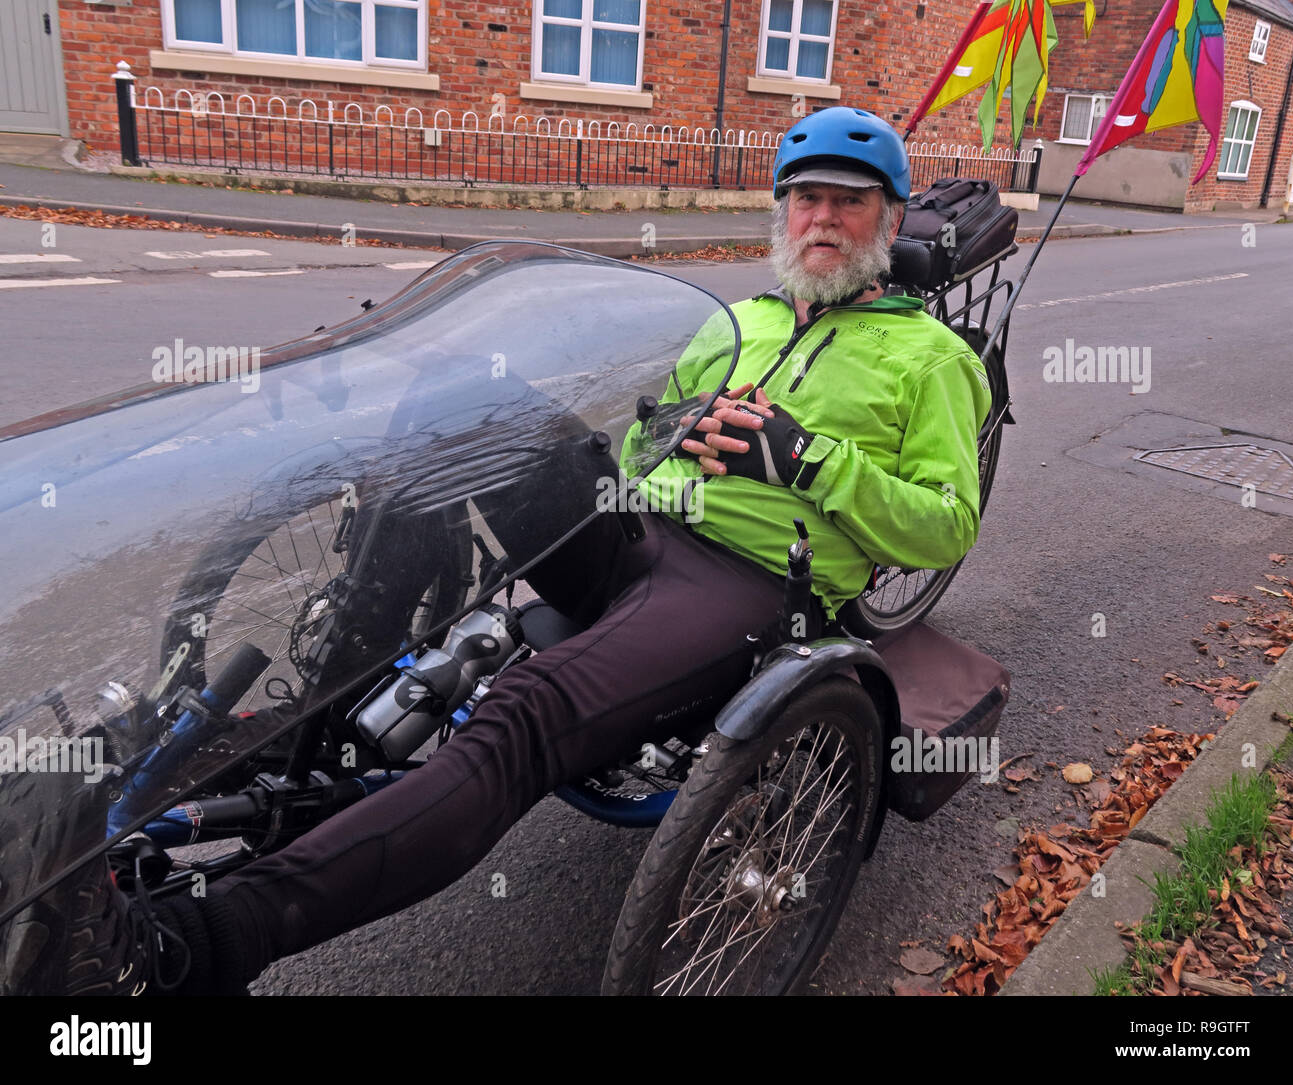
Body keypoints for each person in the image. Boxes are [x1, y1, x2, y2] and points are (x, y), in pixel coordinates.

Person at [8, 107, 990, 996]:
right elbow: (639, 442)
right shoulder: (742, 322)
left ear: (890, 222)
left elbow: (942, 523)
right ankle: (314, 712)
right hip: (635, 527)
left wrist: (806, 456)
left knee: (523, 710)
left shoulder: (929, 361)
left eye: (848, 203)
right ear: (783, 214)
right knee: (465, 430)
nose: (822, 218)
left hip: (748, 578)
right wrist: (674, 428)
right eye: (805, 198)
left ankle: (184, 946)